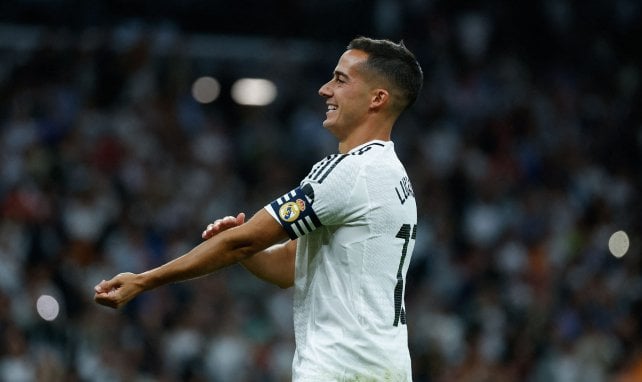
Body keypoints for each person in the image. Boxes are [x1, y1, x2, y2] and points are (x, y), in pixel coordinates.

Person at [94, 36, 423, 381]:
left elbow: (245, 240)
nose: (325, 90)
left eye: (341, 80)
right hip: (386, 367)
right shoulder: (393, 175)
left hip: (341, 369)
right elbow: (288, 267)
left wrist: (144, 280)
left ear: (378, 98)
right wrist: (246, 251)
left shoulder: (351, 171)